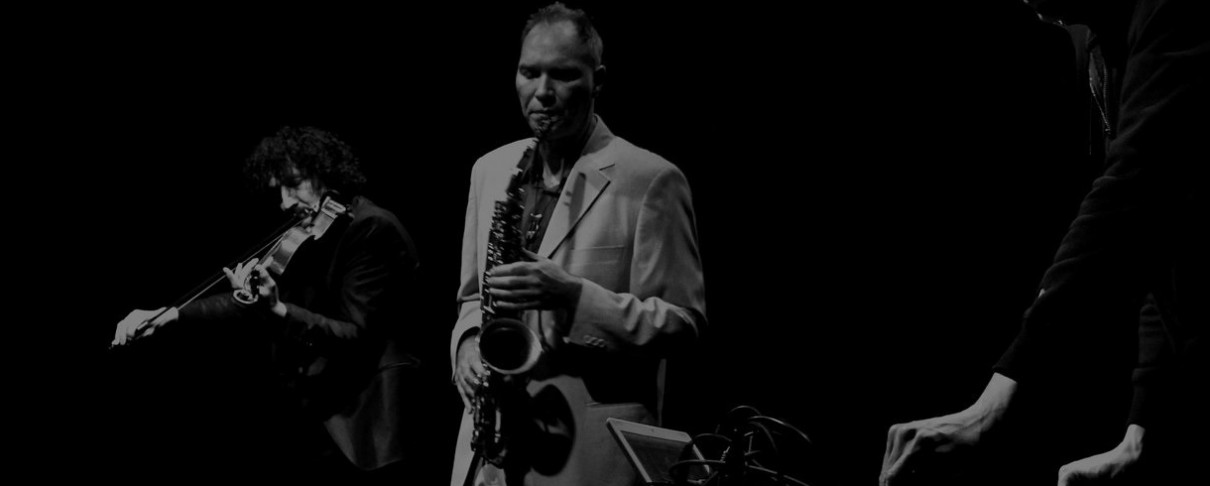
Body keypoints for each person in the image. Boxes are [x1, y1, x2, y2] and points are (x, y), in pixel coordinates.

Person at [880, 0, 1207, 484]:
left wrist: (993, 406)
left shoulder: (1174, 13)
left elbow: (1133, 197)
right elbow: (1169, 238)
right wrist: (1143, 431)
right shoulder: (1101, 46)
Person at [448, 3, 707, 485]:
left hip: (588, 456)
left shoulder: (651, 179)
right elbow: (470, 296)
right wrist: (466, 344)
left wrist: (573, 297)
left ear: (597, 80)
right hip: (492, 448)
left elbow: (682, 325)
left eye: (563, 75)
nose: (542, 92)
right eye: (529, 72)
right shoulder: (490, 170)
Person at [111, 126, 424, 483]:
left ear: (326, 173)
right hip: (325, 415)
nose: (285, 202)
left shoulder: (371, 229)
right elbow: (249, 302)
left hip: (370, 425)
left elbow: (355, 336)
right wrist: (170, 315)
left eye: (294, 185)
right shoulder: (316, 236)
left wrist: (278, 309)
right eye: (280, 190)